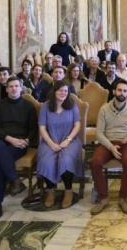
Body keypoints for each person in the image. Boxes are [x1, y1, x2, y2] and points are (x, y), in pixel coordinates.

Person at [0, 76, 38, 219]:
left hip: (20, 144)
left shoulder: (29, 106)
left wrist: (26, 140)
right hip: (1, 141)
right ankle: (15, 180)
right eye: (11, 86)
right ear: (6, 89)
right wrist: (11, 139)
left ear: (21, 88)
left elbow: (33, 129)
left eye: (16, 86)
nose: (14, 89)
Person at [90, 80, 127, 215]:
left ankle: (123, 198)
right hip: (107, 143)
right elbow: (99, 133)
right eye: (119, 90)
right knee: (95, 163)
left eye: (124, 91)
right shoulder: (104, 108)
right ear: (114, 91)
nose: (122, 93)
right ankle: (103, 197)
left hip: (124, 143)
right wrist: (111, 147)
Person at [37, 81, 84, 209]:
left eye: (65, 91)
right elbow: (42, 127)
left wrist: (68, 140)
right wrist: (51, 143)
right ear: (54, 91)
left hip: (70, 140)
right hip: (49, 139)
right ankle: (50, 191)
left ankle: (68, 190)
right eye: (60, 90)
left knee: (66, 158)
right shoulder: (45, 106)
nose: (63, 93)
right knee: (47, 160)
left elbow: (77, 125)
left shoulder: (72, 105)